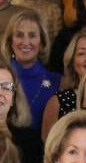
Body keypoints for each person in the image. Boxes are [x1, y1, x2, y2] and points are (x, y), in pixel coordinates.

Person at [4, 9, 62, 140]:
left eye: (32, 35)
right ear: (10, 41)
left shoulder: (58, 81)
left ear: (42, 42)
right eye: (19, 35)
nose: (25, 42)